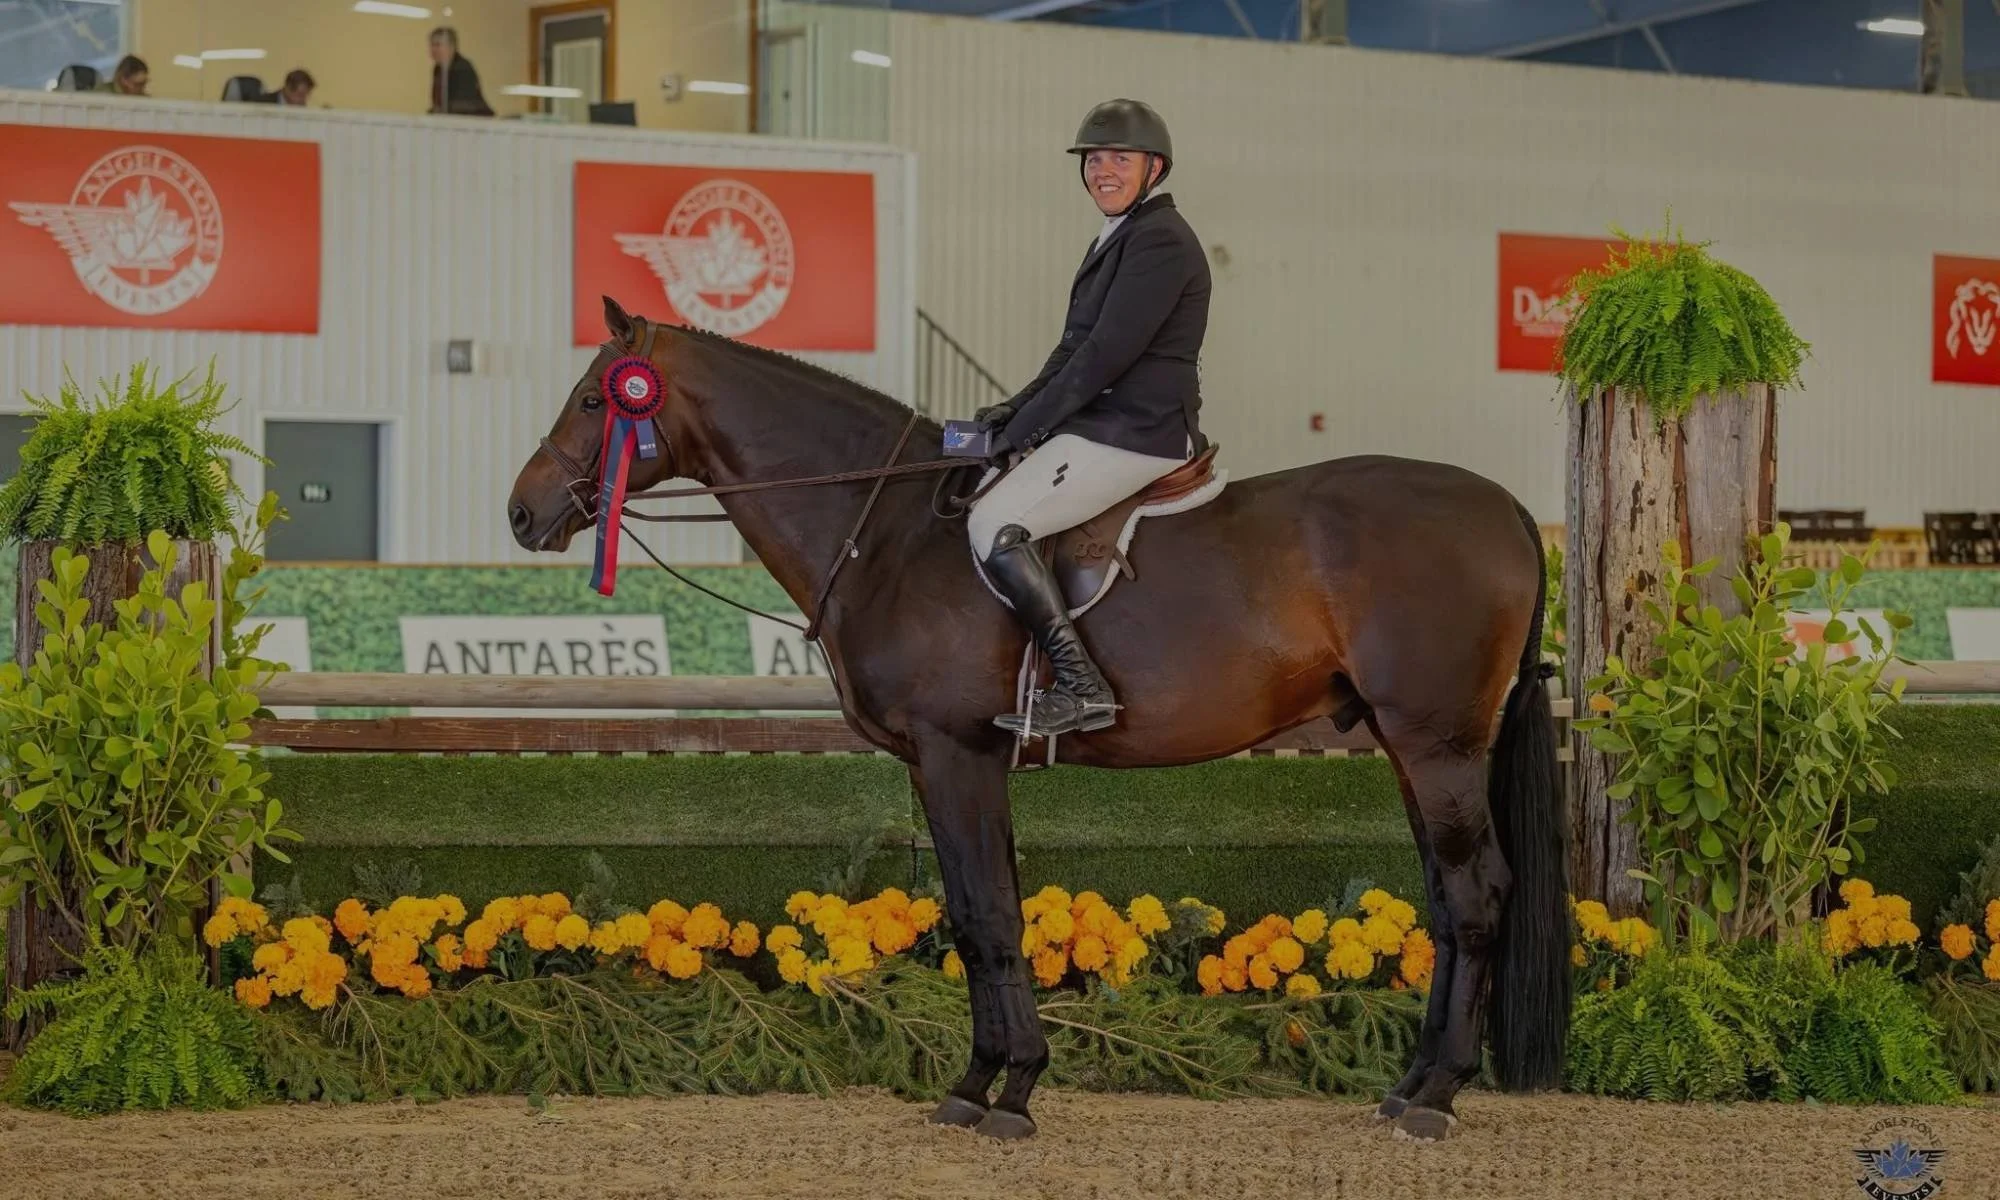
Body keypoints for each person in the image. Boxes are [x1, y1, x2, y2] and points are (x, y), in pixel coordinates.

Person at [965, 98, 1211, 738]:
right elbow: (1073, 347)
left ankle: (1081, 685)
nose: (1103, 170)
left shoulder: (1159, 240)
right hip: (1105, 424)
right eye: (1093, 159)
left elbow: (1102, 358)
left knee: (993, 520)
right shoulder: (1120, 234)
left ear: (1154, 168)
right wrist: (1013, 409)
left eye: (1119, 159)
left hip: (1139, 431)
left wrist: (1020, 435)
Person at [427, 26, 493, 116]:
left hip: (474, 123)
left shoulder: (462, 68)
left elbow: (463, 105)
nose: (433, 50)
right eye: (432, 45)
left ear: (452, 47)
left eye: (438, 45)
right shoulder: (438, 69)